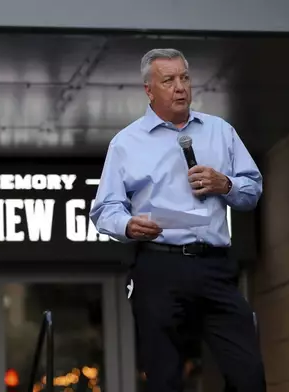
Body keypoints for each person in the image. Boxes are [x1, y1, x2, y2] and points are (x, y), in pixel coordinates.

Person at [89, 48, 266, 392]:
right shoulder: (126, 143)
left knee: (248, 374)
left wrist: (224, 184)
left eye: (184, 78)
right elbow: (104, 209)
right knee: (164, 378)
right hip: (159, 267)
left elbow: (252, 189)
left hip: (215, 267)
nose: (180, 87)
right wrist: (127, 226)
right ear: (149, 90)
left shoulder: (220, 131)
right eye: (168, 80)